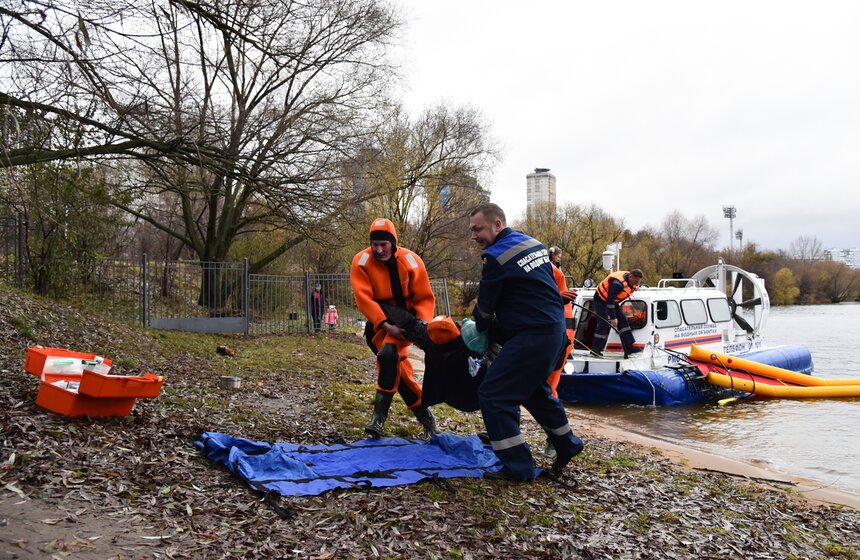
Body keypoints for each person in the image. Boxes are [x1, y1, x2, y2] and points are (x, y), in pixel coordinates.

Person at [469, 203, 584, 481]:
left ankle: (518, 467)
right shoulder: (533, 244)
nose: (474, 236)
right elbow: (536, 290)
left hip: (532, 337)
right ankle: (568, 444)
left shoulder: (494, 257)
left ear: (498, 224)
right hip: (555, 332)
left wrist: (478, 330)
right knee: (533, 390)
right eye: (472, 230)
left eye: (478, 229)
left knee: (493, 395)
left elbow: (485, 310)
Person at [350, 218, 438, 441]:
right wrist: (386, 325)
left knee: (389, 356)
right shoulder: (361, 262)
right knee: (400, 374)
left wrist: (420, 329)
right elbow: (363, 299)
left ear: (394, 243)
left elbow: (424, 298)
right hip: (380, 325)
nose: (379, 250)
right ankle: (427, 420)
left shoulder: (411, 261)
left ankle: (378, 418)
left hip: (407, 323)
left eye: (384, 245)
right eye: (375, 245)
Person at [544, 248, 577, 459]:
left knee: (547, 389)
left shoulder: (549, 271)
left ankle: (556, 441)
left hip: (557, 335)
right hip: (548, 333)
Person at [590, 269, 644, 357]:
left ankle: (629, 347)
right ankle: (596, 349)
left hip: (612, 301)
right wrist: (613, 317)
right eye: (635, 282)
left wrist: (635, 287)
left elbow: (613, 300)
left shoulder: (629, 280)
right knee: (603, 323)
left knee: (623, 320)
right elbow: (610, 301)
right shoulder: (617, 284)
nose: (636, 284)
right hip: (601, 299)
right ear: (630, 277)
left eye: (638, 282)